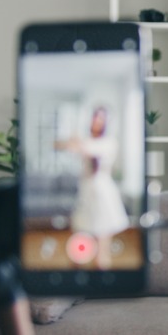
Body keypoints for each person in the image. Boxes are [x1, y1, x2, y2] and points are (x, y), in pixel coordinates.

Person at [56, 106, 129, 270]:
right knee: (77, 248)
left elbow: (86, 149)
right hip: (86, 196)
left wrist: (77, 142)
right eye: (95, 117)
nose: (97, 121)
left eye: (101, 118)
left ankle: (102, 288)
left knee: (101, 251)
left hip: (103, 196)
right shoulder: (87, 139)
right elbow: (63, 145)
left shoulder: (109, 142)